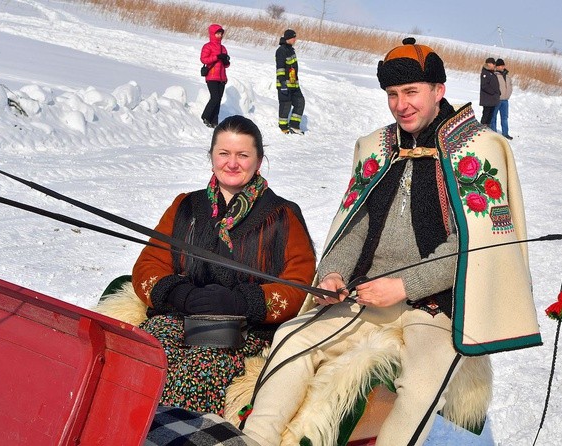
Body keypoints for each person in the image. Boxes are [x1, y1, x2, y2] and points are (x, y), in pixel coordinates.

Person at [242, 38, 541, 445]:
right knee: (291, 339)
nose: (402, 105)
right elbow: (356, 228)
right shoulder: (379, 148)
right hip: (365, 295)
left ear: (439, 90)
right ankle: (253, 440)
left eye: (411, 92)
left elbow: (476, 247)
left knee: (419, 389)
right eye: (393, 95)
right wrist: (333, 273)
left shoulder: (479, 149)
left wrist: (403, 286)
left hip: (437, 309)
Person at [131, 115, 316, 415]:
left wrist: (241, 302)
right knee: (143, 359)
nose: (232, 163)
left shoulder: (283, 215)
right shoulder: (185, 206)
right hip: (178, 315)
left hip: (242, 330)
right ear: (211, 156)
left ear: (259, 161)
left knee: (195, 375)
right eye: (224, 154)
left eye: (243, 155)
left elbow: (298, 285)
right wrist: (181, 295)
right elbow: (148, 264)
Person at [200, 24, 230, 128]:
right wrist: (217, 57)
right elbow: (204, 59)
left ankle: (214, 121)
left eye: (221, 33)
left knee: (219, 99)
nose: (220, 35)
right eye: (217, 33)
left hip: (222, 77)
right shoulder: (207, 46)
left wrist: (225, 60)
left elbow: (226, 65)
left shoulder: (223, 48)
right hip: (211, 76)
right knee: (215, 97)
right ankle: (205, 116)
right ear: (213, 34)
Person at [276, 29, 305, 134]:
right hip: (284, 84)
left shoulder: (291, 50)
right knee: (285, 104)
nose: (295, 39)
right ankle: (283, 126)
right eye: (293, 37)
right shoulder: (281, 50)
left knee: (300, 102)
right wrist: (283, 83)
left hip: (294, 83)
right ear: (288, 38)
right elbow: (280, 68)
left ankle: (294, 125)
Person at [491, 58, 513, 139]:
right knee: (494, 117)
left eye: (503, 65)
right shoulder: (495, 75)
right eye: (500, 65)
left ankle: (505, 133)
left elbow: (510, 86)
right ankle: (494, 134)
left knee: (505, 117)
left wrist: (509, 94)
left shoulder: (507, 76)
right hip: (497, 100)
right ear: (497, 66)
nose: (502, 67)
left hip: (505, 100)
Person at [479, 57, 500, 127]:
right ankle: (482, 129)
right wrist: (493, 92)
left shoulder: (491, 73)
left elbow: (494, 85)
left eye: (494, 64)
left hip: (492, 99)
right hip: (487, 99)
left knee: (490, 116)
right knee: (486, 115)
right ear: (489, 64)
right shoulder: (485, 73)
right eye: (493, 64)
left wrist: (498, 92)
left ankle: (487, 129)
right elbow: (484, 86)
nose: (494, 65)